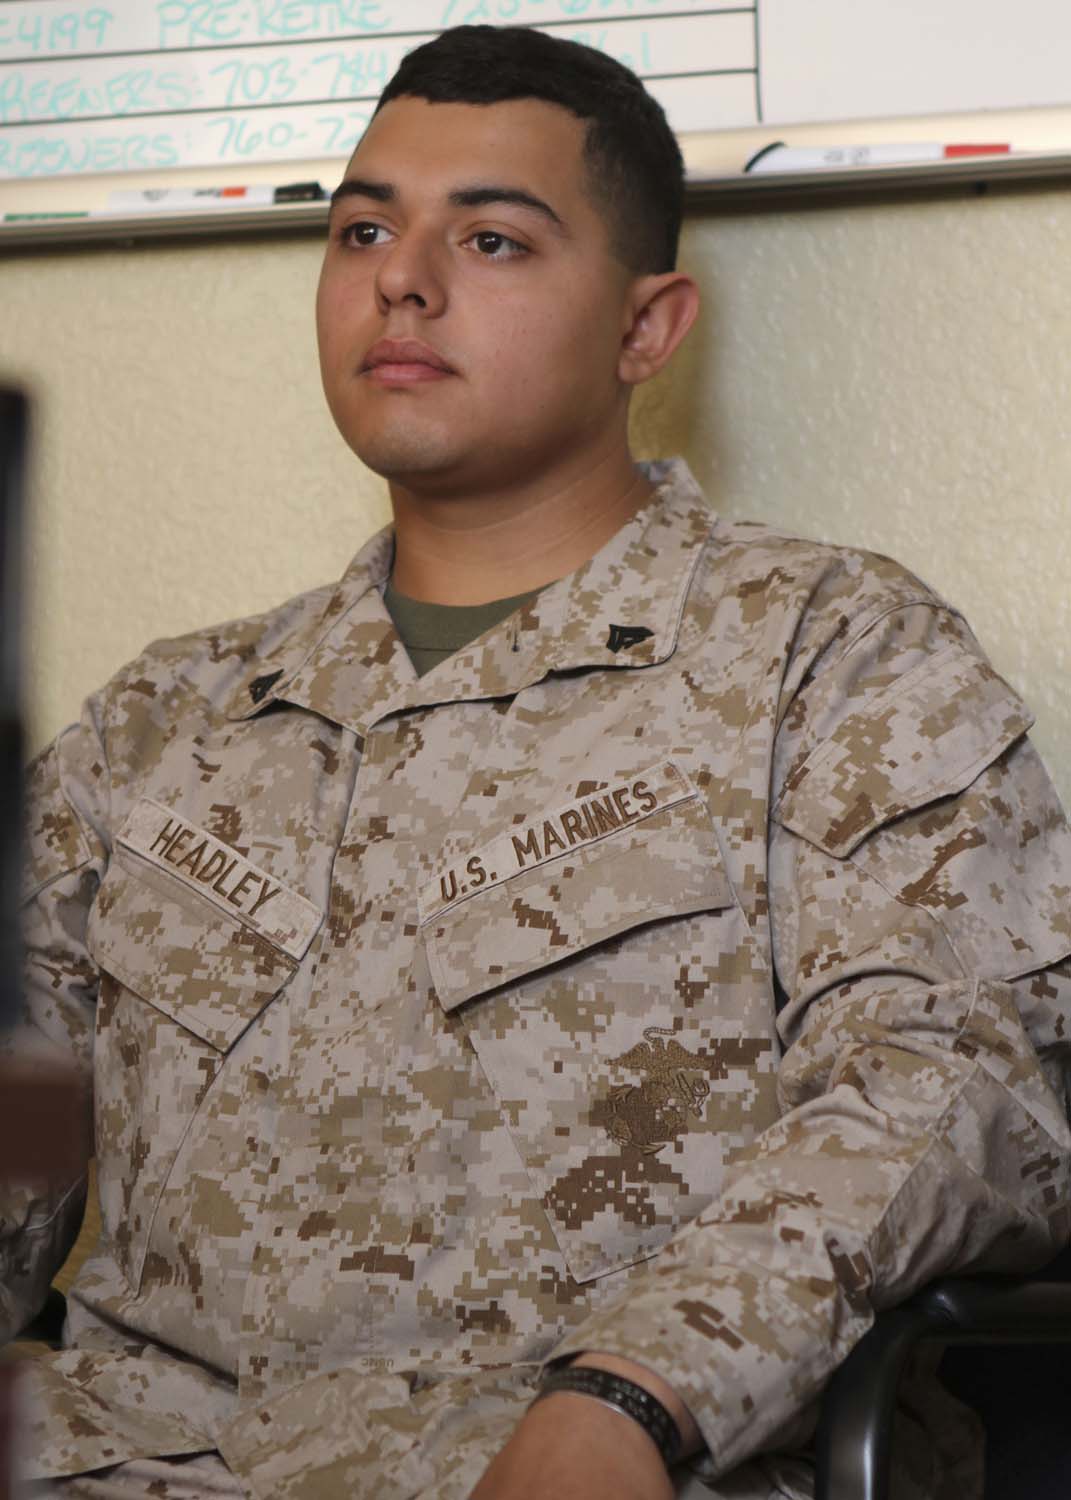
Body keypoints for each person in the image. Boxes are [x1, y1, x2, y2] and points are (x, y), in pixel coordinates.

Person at [6, 24, 1071, 1500]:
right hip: (121, 1459)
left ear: (647, 329)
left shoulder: (830, 658)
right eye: (363, 230)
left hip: (571, 1461)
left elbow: (959, 1087)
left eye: (492, 239)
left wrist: (637, 1395)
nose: (403, 279)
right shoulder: (163, 720)